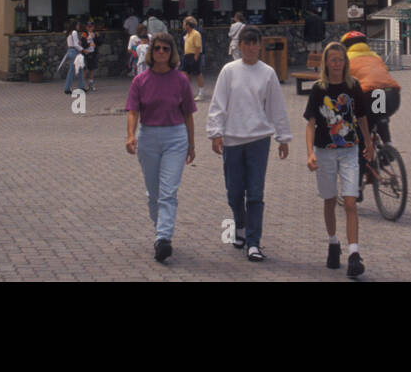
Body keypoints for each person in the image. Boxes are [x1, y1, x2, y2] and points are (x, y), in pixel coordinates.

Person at [206, 26, 293, 263]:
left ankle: (253, 243)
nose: (251, 47)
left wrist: (283, 137)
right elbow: (218, 104)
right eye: (247, 43)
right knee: (235, 193)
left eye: (255, 43)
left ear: (260, 45)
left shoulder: (268, 73)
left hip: (258, 141)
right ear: (239, 45)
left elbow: (277, 107)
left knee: (255, 193)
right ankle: (240, 227)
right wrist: (215, 133)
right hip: (232, 140)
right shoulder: (229, 71)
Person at [304, 42, 373, 278]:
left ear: (346, 63)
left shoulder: (353, 87)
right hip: (324, 151)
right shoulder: (318, 89)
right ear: (326, 63)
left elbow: (362, 117)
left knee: (351, 202)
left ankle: (354, 253)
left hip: (349, 150)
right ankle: (333, 243)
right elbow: (310, 124)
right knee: (329, 200)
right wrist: (310, 153)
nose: (337, 64)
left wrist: (369, 143)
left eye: (340, 60)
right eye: (332, 60)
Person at [125, 33, 196, 263]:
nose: (161, 52)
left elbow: (188, 113)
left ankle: (164, 238)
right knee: (153, 193)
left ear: (172, 52)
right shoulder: (140, 80)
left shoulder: (181, 80)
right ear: (151, 51)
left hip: (175, 136)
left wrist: (191, 144)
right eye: (157, 48)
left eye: (166, 49)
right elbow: (133, 111)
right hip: (149, 137)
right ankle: (160, 230)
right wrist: (130, 135)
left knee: (168, 192)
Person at [339, 31, 401, 144]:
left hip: (368, 94)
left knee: (362, 126)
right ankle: (388, 147)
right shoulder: (375, 56)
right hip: (391, 93)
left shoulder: (345, 59)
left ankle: (364, 157)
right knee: (381, 117)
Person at [181, 16, 206, 101]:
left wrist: (196, 57)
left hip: (194, 55)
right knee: (185, 74)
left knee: (198, 74)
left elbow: (198, 47)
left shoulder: (196, 33)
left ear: (188, 25)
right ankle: (188, 92)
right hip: (186, 56)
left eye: (184, 24)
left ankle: (201, 93)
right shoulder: (186, 34)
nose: (183, 25)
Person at [61, 21, 86, 95]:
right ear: (75, 25)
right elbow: (76, 44)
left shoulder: (69, 33)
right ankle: (80, 87)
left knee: (72, 70)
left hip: (70, 51)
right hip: (74, 51)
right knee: (79, 69)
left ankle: (68, 88)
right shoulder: (74, 32)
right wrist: (82, 49)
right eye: (78, 25)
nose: (79, 26)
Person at [83, 23, 99, 91]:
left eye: (91, 27)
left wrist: (94, 37)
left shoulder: (96, 33)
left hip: (93, 53)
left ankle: (91, 84)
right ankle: (83, 85)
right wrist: (89, 44)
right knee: (84, 69)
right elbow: (83, 44)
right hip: (85, 53)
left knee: (91, 69)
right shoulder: (84, 34)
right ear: (86, 27)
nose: (90, 28)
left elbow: (100, 42)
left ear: (93, 27)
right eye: (88, 27)